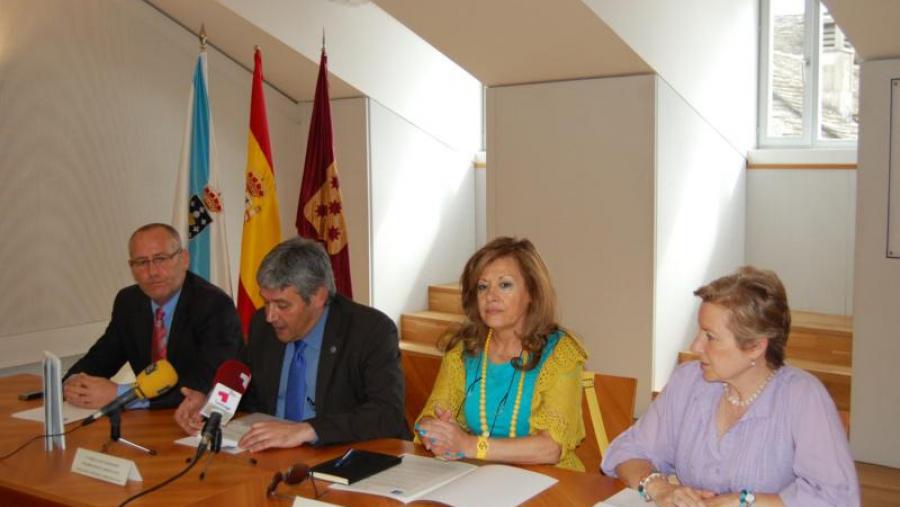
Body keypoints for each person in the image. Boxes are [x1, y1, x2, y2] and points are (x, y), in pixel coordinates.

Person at [602, 267, 859, 506]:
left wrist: (746, 502)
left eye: (710, 337)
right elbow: (626, 451)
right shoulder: (688, 381)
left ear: (756, 346)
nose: (695, 346)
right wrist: (660, 489)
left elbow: (836, 497)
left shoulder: (802, 397)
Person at [174, 237, 410, 450]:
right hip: (271, 455)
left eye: (282, 305)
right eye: (266, 302)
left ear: (318, 296)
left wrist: (308, 430)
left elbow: (386, 413)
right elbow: (250, 392)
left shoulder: (369, 331)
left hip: (344, 455)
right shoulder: (262, 326)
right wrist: (212, 403)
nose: (270, 316)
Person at [414, 237, 587, 470]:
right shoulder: (463, 351)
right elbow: (427, 418)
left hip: (549, 481)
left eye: (505, 285)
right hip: (479, 476)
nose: (491, 296)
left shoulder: (561, 352)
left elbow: (551, 448)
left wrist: (469, 445)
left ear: (532, 293)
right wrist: (435, 431)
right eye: (483, 287)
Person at [64, 223, 242, 409]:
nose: (152, 272)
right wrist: (74, 382)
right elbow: (102, 358)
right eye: (141, 262)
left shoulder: (213, 305)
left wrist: (121, 394)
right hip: (149, 422)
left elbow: (206, 383)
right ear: (131, 268)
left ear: (184, 259)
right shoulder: (128, 302)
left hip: (195, 420)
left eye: (161, 259)